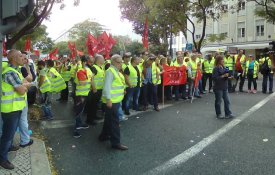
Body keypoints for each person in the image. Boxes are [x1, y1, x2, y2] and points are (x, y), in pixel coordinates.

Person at [0, 49, 31, 169]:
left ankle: (8, 147)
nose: (22, 57)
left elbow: (24, 83)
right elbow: (22, 90)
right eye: (19, 55)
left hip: (16, 108)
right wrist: (26, 86)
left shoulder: (16, 71)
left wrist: (23, 85)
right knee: (7, 136)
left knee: (10, 133)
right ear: (13, 59)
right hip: (10, 110)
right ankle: (2, 159)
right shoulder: (10, 73)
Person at [99, 54, 128, 150]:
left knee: (109, 119)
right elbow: (106, 87)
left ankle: (103, 136)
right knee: (115, 122)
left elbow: (117, 84)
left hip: (115, 100)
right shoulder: (110, 71)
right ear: (114, 62)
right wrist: (108, 100)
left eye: (122, 62)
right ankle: (116, 143)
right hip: (112, 101)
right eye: (120, 62)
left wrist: (123, 89)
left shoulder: (116, 71)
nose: (121, 64)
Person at [73, 56, 91, 138]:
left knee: (80, 111)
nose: (90, 63)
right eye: (88, 61)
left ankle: (79, 124)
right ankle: (75, 130)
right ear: (84, 62)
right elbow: (81, 83)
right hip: (80, 95)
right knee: (78, 112)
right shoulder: (81, 71)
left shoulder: (86, 70)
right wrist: (90, 79)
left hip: (85, 93)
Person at [86, 54, 105, 125]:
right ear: (99, 60)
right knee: (92, 105)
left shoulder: (100, 67)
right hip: (94, 90)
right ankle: (90, 120)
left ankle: (94, 116)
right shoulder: (94, 68)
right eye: (103, 59)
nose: (104, 60)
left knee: (95, 105)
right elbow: (91, 78)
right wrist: (94, 88)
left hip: (99, 89)